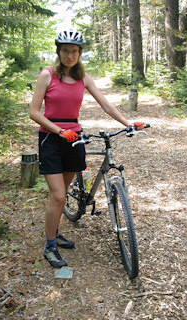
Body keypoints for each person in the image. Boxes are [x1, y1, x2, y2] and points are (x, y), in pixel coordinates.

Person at [30, 29, 144, 268]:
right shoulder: (47, 75)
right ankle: (49, 246)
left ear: (79, 53)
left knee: (65, 190)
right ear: (58, 52)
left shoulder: (83, 78)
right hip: (51, 139)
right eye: (65, 51)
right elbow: (34, 113)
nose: (69, 55)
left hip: (75, 139)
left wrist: (127, 123)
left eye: (74, 51)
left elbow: (106, 104)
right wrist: (59, 131)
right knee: (58, 195)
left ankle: (55, 230)